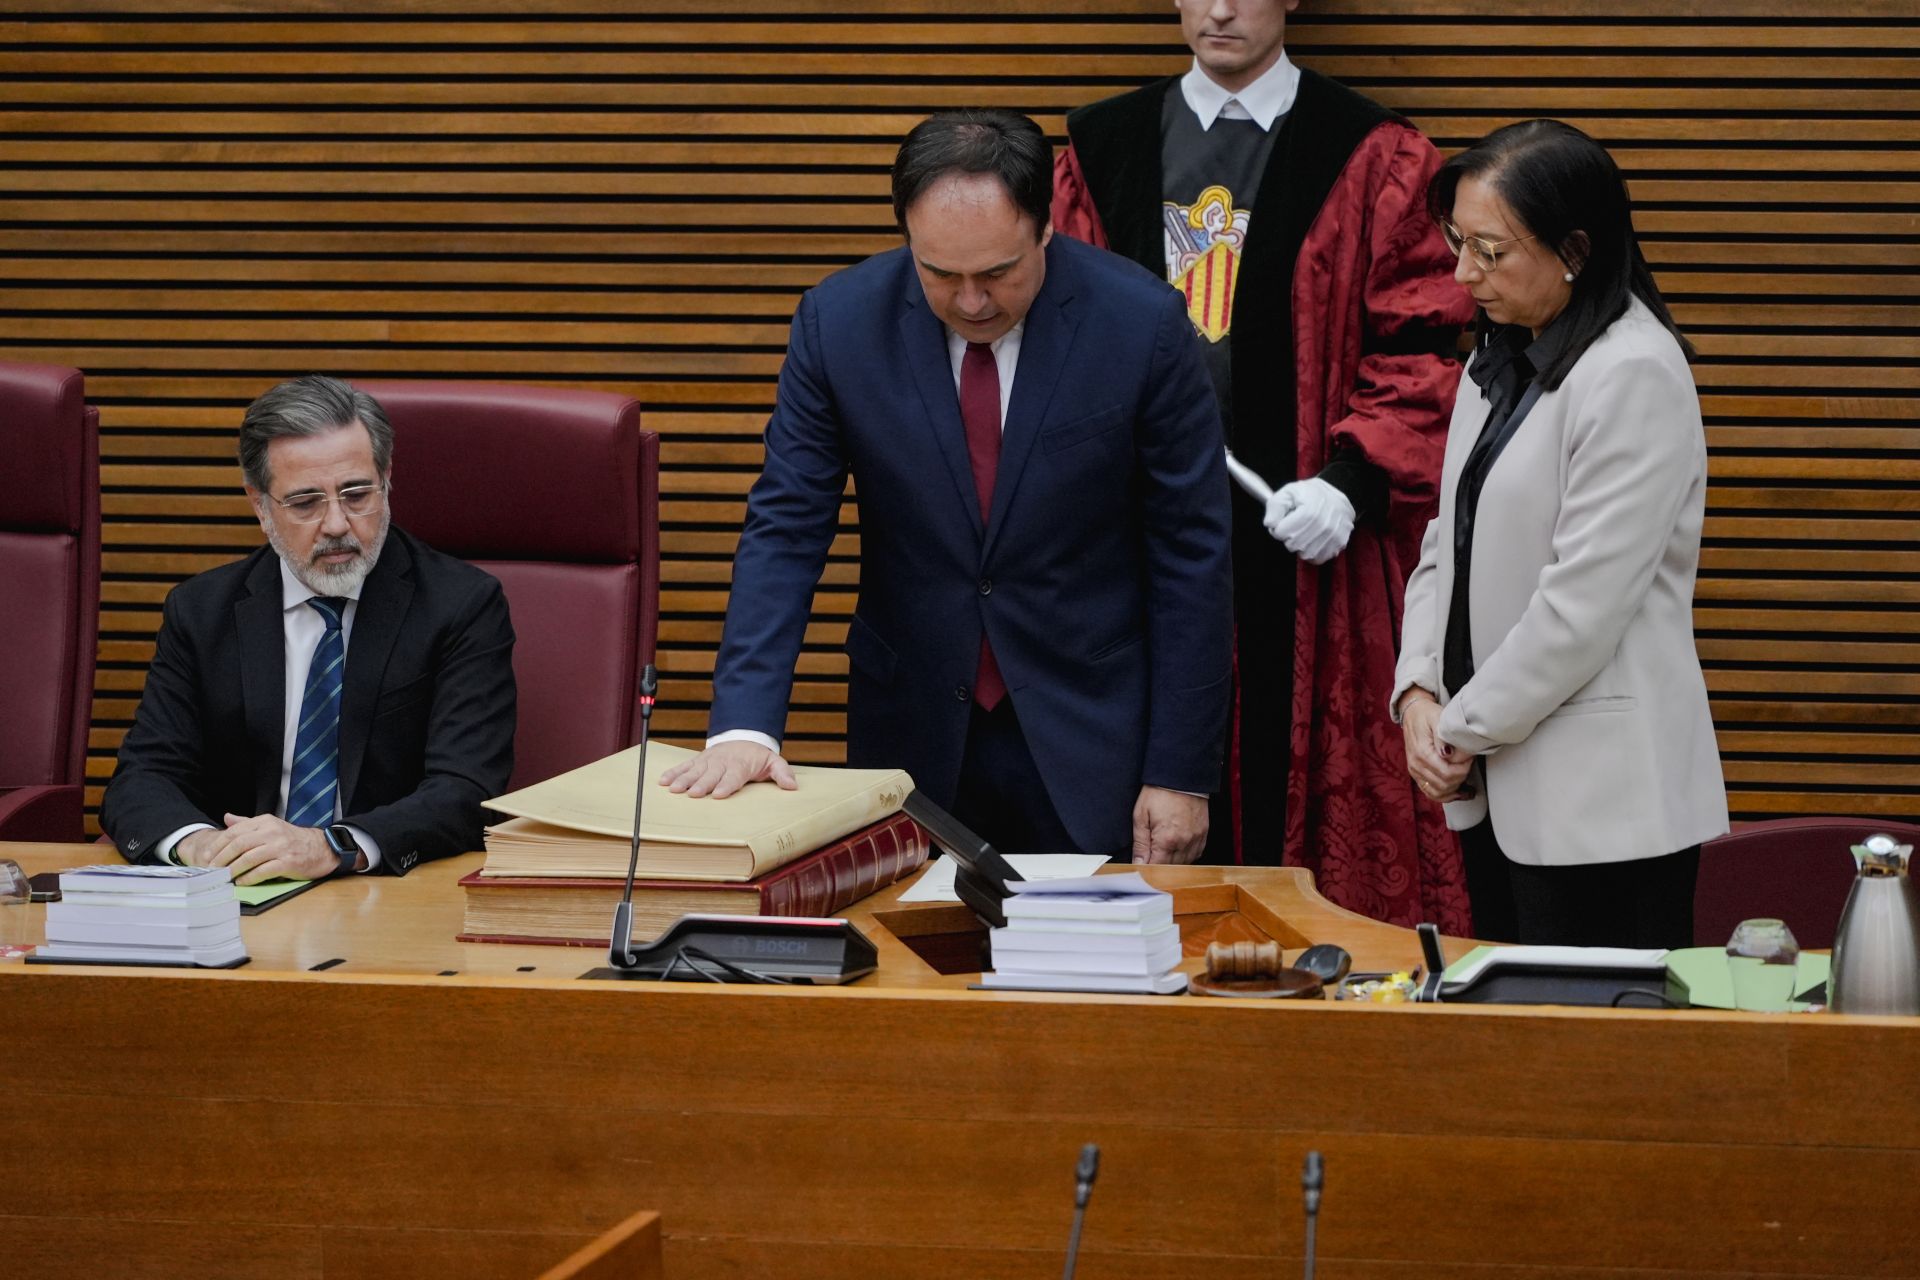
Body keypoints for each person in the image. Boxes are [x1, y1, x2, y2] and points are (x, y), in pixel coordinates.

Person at [662, 109, 1234, 863]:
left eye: (997, 273)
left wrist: (1180, 771)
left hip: (1092, 735)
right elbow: (786, 528)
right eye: (939, 273)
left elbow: (1191, 554)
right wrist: (746, 724)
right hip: (911, 737)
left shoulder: (1142, 323)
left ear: (1046, 228)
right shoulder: (839, 324)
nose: (971, 302)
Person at [1050, 0, 1474, 931]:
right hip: (1131, 550)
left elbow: (1426, 347)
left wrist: (1353, 482)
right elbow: (1060, 341)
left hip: (1310, 547)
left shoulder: (1375, 156)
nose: (1220, 9)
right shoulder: (1099, 151)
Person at [1392, 120, 1729, 947]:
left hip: (1605, 807)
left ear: (1574, 250)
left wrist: (1458, 729)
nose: (1463, 273)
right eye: (1457, 242)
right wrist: (1417, 691)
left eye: (1490, 251)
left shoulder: (1634, 371)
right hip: (1494, 780)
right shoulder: (1499, 355)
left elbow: (1581, 609)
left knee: (1596, 1027)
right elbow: (1447, 540)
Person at [101, 375, 517, 883]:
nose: (337, 524)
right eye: (305, 503)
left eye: (356, 494)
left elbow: (466, 789)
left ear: (386, 481)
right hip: (240, 890)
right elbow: (143, 776)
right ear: (260, 505)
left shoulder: (461, 605)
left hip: (385, 891)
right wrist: (201, 845)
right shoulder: (202, 612)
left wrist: (332, 846)